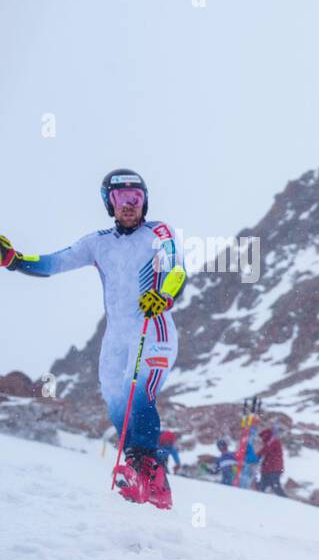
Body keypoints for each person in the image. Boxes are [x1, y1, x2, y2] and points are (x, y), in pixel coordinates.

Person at [2, 170, 185, 509]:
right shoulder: (97, 242)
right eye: (120, 198)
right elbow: (55, 262)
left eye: (135, 197)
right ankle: (154, 482)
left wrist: (165, 295)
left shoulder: (159, 232)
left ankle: (141, 468)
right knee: (115, 397)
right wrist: (14, 261)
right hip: (116, 336)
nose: (129, 205)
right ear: (108, 203)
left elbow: (176, 270)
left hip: (152, 326)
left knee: (137, 391)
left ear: (145, 201)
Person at [256, 425, 287, 496]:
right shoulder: (270, 442)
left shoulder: (273, 441)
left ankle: (285, 501)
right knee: (263, 486)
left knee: (275, 486)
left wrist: (256, 456)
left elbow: (265, 450)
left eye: (263, 437)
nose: (262, 440)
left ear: (266, 436)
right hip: (268, 469)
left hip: (274, 469)